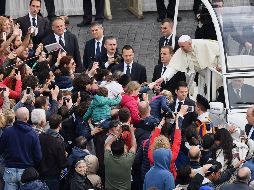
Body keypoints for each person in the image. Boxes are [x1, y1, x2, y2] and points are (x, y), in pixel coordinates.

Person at [156, 35, 220, 90]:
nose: (181, 49)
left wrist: (220, 65)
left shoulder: (203, 44)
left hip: (217, 71)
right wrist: (163, 78)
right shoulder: (180, 51)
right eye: (180, 46)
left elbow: (220, 50)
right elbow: (173, 67)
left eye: (183, 46)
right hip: (204, 75)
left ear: (189, 44)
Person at [0, 107, 42, 190]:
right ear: (27, 117)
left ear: (16, 116)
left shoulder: (8, 132)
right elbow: (38, 156)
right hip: (26, 170)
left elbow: (1, 149)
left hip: (10, 169)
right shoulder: (33, 134)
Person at [38, 114, 68, 190]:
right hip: (52, 175)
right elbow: (62, 163)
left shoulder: (40, 136)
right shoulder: (59, 141)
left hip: (40, 172)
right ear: (60, 125)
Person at [104, 123, 137, 190]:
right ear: (123, 151)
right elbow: (134, 146)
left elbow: (107, 145)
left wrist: (118, 133)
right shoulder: (128, 160)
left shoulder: (107, 158)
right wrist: (132, 132)